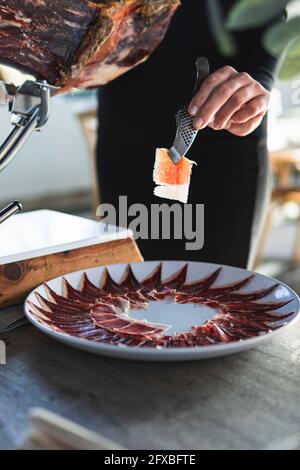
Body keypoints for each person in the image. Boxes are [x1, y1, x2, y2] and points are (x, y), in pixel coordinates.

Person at [97, 1, 284, 269]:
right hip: (127, 131)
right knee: (132, 285)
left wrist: (259, 78)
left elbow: (272, 11)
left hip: (223, 123)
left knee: (221, 292)